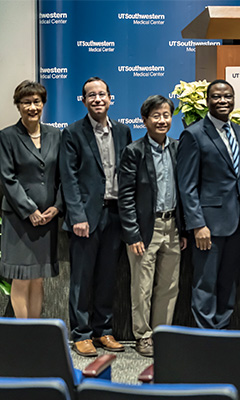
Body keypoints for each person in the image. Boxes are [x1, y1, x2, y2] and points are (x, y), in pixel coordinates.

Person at [177, 80, 240, 331]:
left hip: (238, 225)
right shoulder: (193, 134)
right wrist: (197, 224)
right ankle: (205, 338)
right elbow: (187, 186)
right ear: (206, 101)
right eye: (216, 97)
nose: (223, 101)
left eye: (227, 97)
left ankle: (221, 333)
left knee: (228, 283)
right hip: (208, 227)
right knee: (205, 284)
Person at [60, 77, 132, 357]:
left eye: (102, 94)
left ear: (110, 98)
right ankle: (81, 333)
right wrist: (78, 216)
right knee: (82, 278)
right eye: (91, 95)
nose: (97, 99)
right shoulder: (73, 132)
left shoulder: (123, 131)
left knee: (107, 277)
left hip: (115, 215)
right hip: (86, 218)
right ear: (84, 101)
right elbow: (70, 178)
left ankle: (104, 331)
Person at [118, 95, 187, 357]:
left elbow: (183, 191)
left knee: (170, 286)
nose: (162, 120)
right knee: (142, 286)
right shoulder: (134, 151)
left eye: (166, 115)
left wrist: (182, 229)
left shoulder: (178, 148)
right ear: (144, 120)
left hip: (173, 227)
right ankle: (143, 335)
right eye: (156, 116)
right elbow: (125, 196)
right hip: (146, 229)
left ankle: (161, 333)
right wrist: (132, 233)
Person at [0, 80, 62, 319]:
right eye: (27, 102)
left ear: (43, 104)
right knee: (21, 278)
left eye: (37, 101)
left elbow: (63, 176)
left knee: (37, 278)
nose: (32, 107)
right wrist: (30, 210)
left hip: (48, 219)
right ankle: (23, 334)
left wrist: (56, 207)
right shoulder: (7, 136)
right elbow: (7, 178)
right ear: (18, 106)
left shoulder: (56, 135)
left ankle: (36, 332)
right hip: (19, 219)